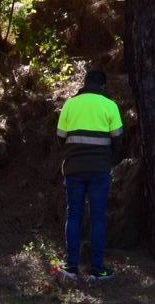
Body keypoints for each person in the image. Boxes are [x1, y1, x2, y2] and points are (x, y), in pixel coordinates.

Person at [54, 67, 123, 281]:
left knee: (73, 216)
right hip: (100, 170)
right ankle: (97, 269)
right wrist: (110, 160)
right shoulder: (110, 105)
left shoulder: (70, 104)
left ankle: (71, 267)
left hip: (74, 168)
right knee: (97, 218)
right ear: (103, 86)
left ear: (84, 84)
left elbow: (60, 137)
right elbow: (118, 140)